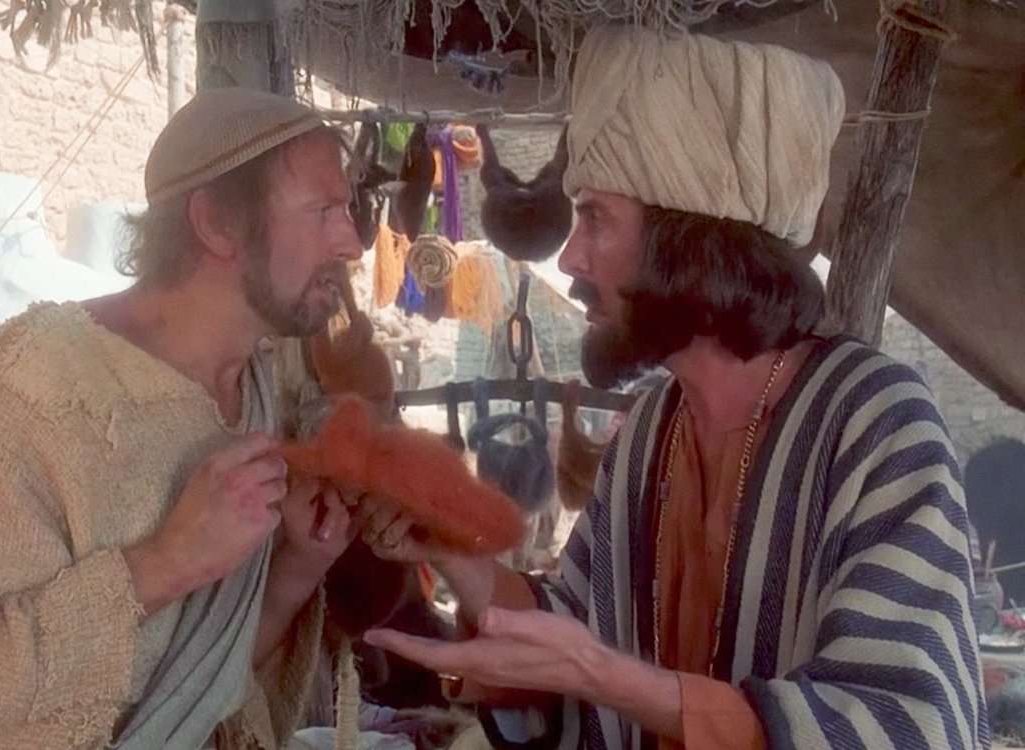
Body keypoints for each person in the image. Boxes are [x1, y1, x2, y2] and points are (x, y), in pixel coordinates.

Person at [362, 27, 989, 750]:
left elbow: (902, 723)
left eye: (596, 218)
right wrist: (451, 550)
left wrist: (605, 676)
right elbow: (570, 636)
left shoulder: (877, 420)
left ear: (688, 241)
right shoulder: (652, 429)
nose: (570, 257)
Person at [0, 87, 362, 749]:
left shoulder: (264, 386)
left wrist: (293, 571)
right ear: (218, 223)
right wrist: (163, 563)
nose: (352, 242)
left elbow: (196, 695)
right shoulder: (28, 383)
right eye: (324, 211)